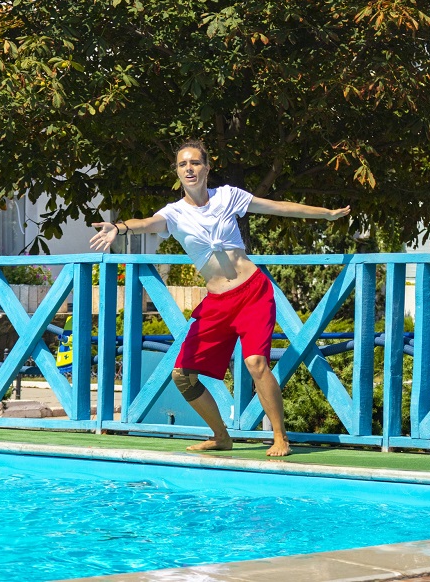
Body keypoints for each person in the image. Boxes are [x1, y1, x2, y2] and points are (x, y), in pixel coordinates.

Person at [89, 140, 350, 457]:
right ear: (177, 172)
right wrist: (118, 228)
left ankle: (280, 437)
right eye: (182, 164)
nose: (189, 168)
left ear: (207, 168)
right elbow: (144, 224)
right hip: (217, 303)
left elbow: (278, 207)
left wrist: (326, 214)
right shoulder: (173, 214)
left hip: (252, 292)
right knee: (183, 375)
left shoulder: (228, 196)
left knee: (255, 363)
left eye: (195, 163)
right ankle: (221, 436)